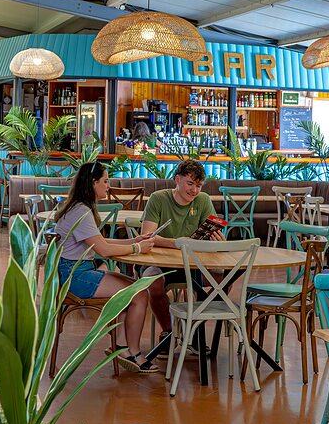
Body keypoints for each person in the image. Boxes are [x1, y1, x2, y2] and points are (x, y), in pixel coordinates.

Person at [52, 162, 158, 371]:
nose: (108, 185)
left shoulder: (77, 208)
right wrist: (137, 248)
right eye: (106, 181)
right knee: (140, 293)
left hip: (75, 270)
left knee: (136, 288)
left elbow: (101, 243)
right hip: (74, 276)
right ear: (93, 183)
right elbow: (105, 251)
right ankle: (132, 352)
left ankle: (121, 347)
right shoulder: (81, 212)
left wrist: (134, 241)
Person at [124, 159, 223, 369]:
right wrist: (179, 243)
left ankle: (193, 331)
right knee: (153, 282)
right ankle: (169, 331)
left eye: (198, 185)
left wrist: (216, 240)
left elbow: (209, 235)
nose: (194, 190)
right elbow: (147, 237)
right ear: (177, 180)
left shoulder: (203, 201)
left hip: (191, 265)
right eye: (189, 184)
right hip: (157, 263)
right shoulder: (158, 199)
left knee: (222, 278)